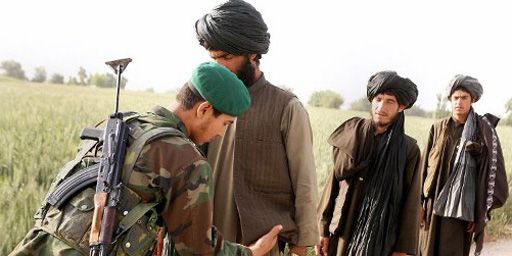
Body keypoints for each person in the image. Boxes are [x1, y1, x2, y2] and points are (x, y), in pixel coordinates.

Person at [10, 62, 282, 256]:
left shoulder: (120, 123)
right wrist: (250, 253)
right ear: (204, 109)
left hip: (36, 244)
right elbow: (198, 249)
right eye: (224, 124)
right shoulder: (185, 159)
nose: (221, 134)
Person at [195, 0, 319, 255]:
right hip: (208, 240)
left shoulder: (287, 107)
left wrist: (301, 245)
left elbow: (304, 181)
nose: (219, 66)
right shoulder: (202, 102)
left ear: (252, 53)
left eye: (227, 57)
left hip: (263, 244)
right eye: (213, 58)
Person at [317, 71, 422, 256]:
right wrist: (322, 230)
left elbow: (410, 201)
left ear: (401, 107)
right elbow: (333, 185)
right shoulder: (352, 135)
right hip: (342, 230)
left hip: (380, 237)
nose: (381, 106)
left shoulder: (408, 149)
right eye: (378, 99)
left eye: (390, 101)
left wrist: (402, 249)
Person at [418, 74, 508, 256]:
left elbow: (492, 172)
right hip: (433, 203)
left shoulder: (483, 131)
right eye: (456, 98)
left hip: (462, 211)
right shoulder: (438, 127)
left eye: (464, 98)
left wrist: (479, 212)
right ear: (450, 100)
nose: (459, 102)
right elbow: (424, 167)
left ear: (472, 99)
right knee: (425, 250)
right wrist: (419, 203)